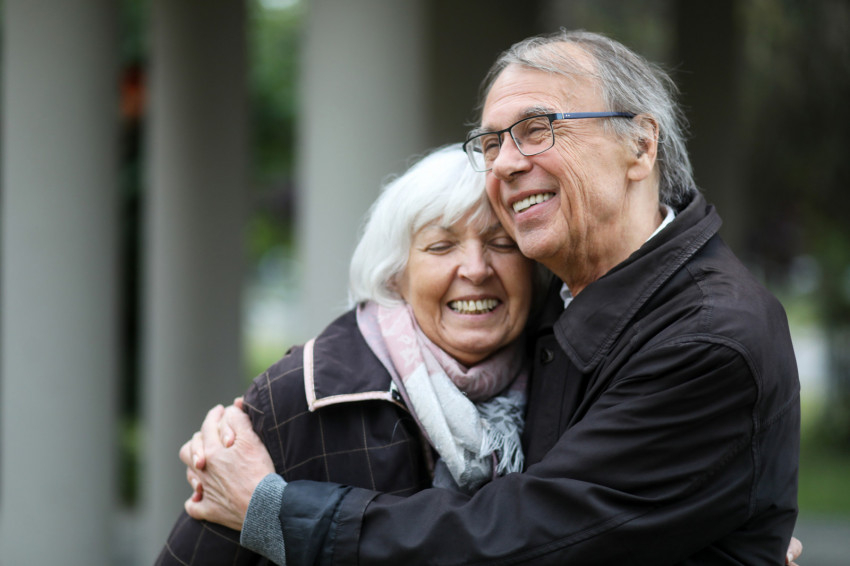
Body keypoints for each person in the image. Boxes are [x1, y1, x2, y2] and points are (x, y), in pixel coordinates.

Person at [183, 30, 802, 565]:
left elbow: (524, 538)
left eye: (536, 129)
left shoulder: (707, 337)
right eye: (490, 143)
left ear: (640, 146)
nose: (503, 164)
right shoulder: (559, 310)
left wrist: (278, 511)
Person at [155, 144, 546, 564]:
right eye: (440, 246)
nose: (476, 269)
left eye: (502, 243)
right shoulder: (299, 395)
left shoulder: (567, 383)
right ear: (395, 275)